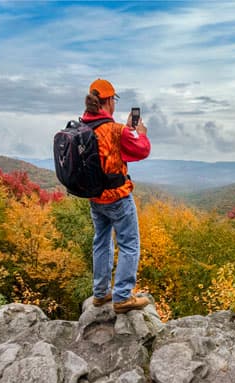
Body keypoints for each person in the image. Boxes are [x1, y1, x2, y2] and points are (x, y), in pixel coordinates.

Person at [83, 78, 151, 314]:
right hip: (117, 197)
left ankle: (100, 294)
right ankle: (122, 297)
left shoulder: (84, 126)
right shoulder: (114, 130)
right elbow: (141, 150)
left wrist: (125, 131)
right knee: (129, 244)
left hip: (95, 197)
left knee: (101, 240)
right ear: (109, 100)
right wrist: (139, 133)